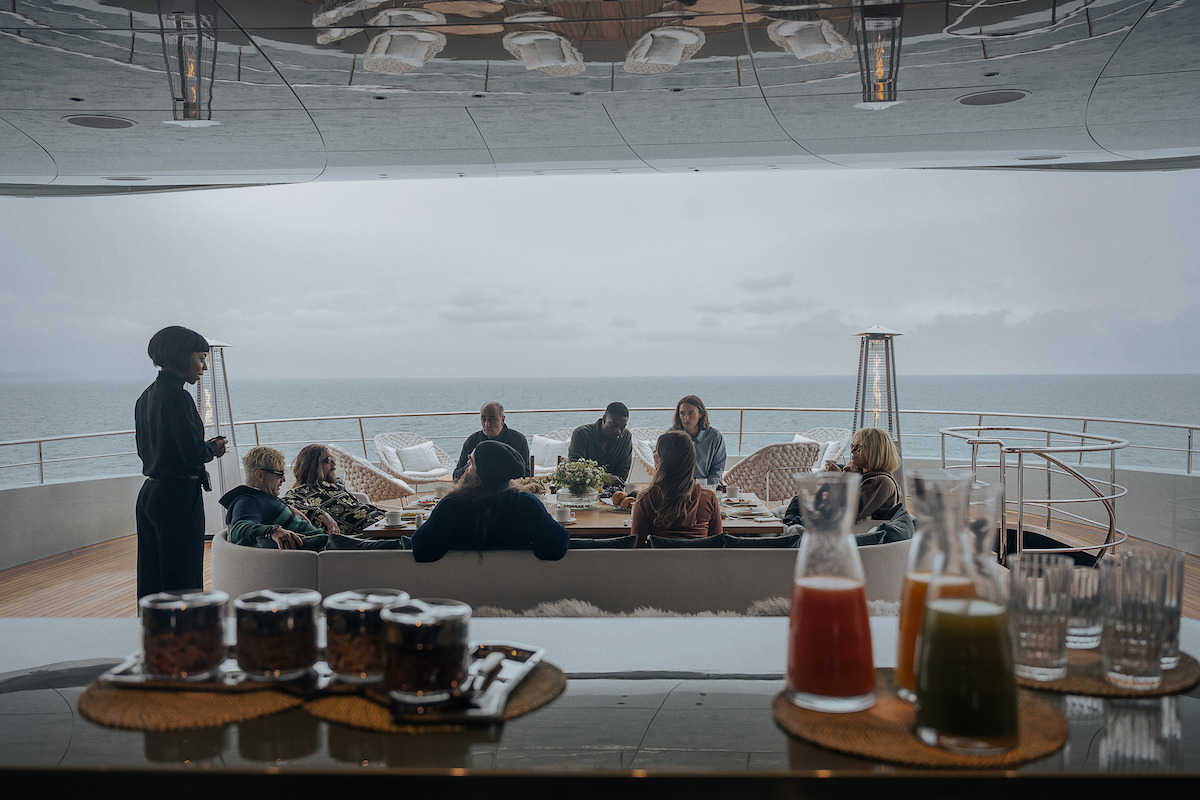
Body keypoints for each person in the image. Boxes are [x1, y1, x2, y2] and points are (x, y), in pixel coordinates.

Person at [134, 325, 227, 599]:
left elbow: (148, 449)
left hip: (151, 495)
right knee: (183, 579)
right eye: (201, 358)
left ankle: (151, 633)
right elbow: (190, 454)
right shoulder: (178, 397)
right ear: (181, 356)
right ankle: (185, 636)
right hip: (178, 497)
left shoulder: (146, 396)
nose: (204, 367)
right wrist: (213, 448)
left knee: (151, 578)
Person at [412, 440, 569, 562]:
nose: (467, 465)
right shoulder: (526, 504)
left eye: (471, 462)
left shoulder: (452, 505)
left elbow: (422, 552)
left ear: (482, 471)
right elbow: (556, 547)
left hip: (459, 591)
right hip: (518, 589)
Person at [220, 447, 399, 550]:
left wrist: (287, 507)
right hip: (326, 546)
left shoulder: (262, 498)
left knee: (397, 542)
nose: (283, 479)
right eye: (279, 474)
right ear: (259, 475)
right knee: (398, 545)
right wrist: (273, 531)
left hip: (329, 542)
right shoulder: (247, 500)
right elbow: (238, 529)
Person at [782, 426, 903, 527]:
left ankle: (788, 529)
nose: (852, 451)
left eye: (856, 447)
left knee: (800, 502)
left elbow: (847, 512)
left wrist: (839, 481)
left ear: (873, 452)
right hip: (832, 520)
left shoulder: (881, 482)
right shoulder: (867, 475)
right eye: (852, 446)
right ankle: (788, 526)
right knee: (799, 500)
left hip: (849, 530)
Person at [630, 430, 723, 547]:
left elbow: (636, 547)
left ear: (663, 460)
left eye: (657, 450)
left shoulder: (647, 498)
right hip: (698, 564)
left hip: (661, 564)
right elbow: (718, 546)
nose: (653, 453)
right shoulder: (708, 498)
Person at [284, 444, 386, 535]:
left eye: (333, 459)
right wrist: (321, 514)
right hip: (370, 533)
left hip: (383, 522)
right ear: (313, 466)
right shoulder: (300, 493)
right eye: (328, 460)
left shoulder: (336, 485)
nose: (334, 464)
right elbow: (284, 504)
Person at [452, 401, 530, 480]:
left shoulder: (518, 440)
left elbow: (526, 474)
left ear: (502, 420)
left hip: (509, 489)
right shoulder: (472, 441)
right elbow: (456, 476)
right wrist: (472, 465)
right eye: (483, 419)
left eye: (492, 420)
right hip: (478, 490)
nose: (487, 424)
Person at [568, 401, 632, 487]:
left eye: (622, 427)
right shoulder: (581, 434)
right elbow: (575, 470)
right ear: (604, 418)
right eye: (614, 425)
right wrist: (605, 479)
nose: (618, 431)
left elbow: (622, 474)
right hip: (582, 490)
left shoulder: (626, 437)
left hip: (611, 493)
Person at [671, 394, 726, 486]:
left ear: (700, 414)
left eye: (691, 413)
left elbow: (717, 469)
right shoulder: (671, 435)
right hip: (677, 488)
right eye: (682, 413)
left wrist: (705, 487)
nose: (686, 418)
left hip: (705, 487)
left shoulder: (715, 437)